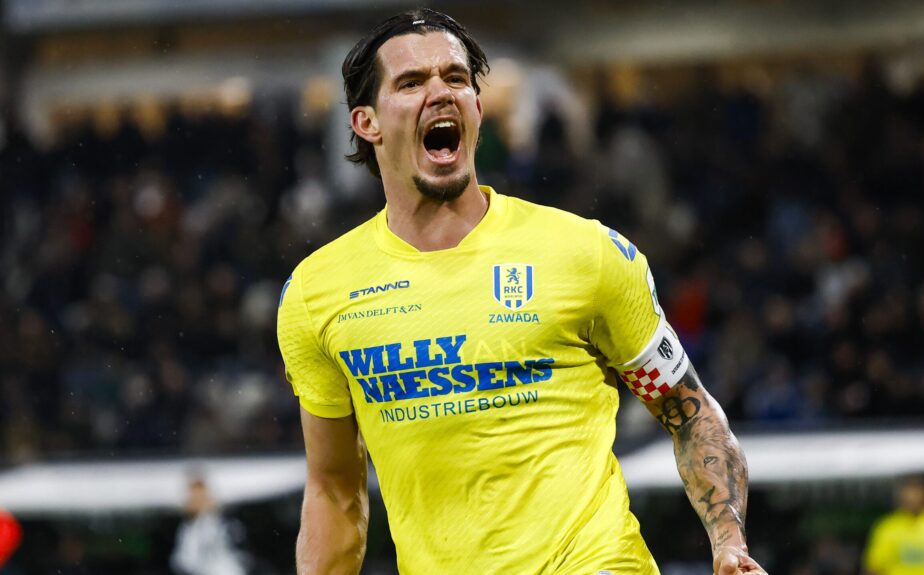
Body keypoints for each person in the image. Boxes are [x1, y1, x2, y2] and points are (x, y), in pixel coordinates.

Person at [277, 8, 766, 574]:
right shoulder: (318, 292)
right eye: (411, 83)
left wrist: (729, 542)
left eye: (456, 79)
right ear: (367, 122)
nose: (440, 93)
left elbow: (689, 410)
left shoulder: (585, 253)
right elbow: (335, 488)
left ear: (478, 110)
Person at [862, 477, 924, 575]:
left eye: (918, 491)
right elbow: (874, 567)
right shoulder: (887, 526)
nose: (913, 496)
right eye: (909, 491)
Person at [170, 476, 248, 575]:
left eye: (201, 496)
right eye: (194, 497)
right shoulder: (188, 529)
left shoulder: (227, 523)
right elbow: (183, 560)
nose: (198, 500)